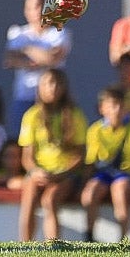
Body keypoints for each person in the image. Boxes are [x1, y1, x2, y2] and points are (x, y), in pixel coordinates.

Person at [17, 68, 87, 242]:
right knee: (29, 195)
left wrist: (59, 175)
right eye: (48, 83)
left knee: (50, 200)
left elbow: (80, 154)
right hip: (40, 172)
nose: (53, 88)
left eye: (57, 83)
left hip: (65, 174)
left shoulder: (75, 115)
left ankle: (53, 246)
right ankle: (25, 247)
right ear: (40, 87)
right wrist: (35, 172)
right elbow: (27, 156)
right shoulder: (32, 116)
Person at [80, 85, 130, 242]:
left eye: (120, 106)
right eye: (112, 106)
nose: (116, 110)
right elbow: (91, 162)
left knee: (120, 189)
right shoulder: (95, 130)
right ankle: (89, 236)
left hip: (125, 173)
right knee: (90, 193)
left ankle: (123, 239)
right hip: (104, 173)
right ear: (102, 109)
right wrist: (84, 183)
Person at [4, 0, 71, 126]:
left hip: (52, 99)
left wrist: (25, 49)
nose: (37, 11)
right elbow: (9, 60)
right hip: (24, 96)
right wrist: (41, 57)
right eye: (32, 7)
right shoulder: (17, 32)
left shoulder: (59, 33)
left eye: (41, 5)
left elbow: (52, 58)